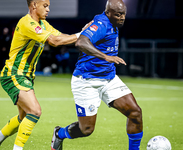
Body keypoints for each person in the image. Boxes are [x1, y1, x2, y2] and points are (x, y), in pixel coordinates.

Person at [0, 0, 91, 150]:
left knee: (24, 117)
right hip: (14, 74)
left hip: (25, 76)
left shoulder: (43, 24)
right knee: (35, 111)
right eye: (45, 6)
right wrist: (81, 34)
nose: (48, 9)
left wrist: (82, 33)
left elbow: (61, 37)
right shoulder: (27, 23)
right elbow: (54, 41)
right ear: (34, 5)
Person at [51, 0, 143, 150]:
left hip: (109, 78)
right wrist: (106, 57)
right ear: (108, 13)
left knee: (135, 113)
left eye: (124, 14)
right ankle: (59, 133)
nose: (122, 18)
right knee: (86, 130)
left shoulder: (112, 23)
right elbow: (81, 42)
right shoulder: (101, 24)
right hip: (87, 81)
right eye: (118, 14)